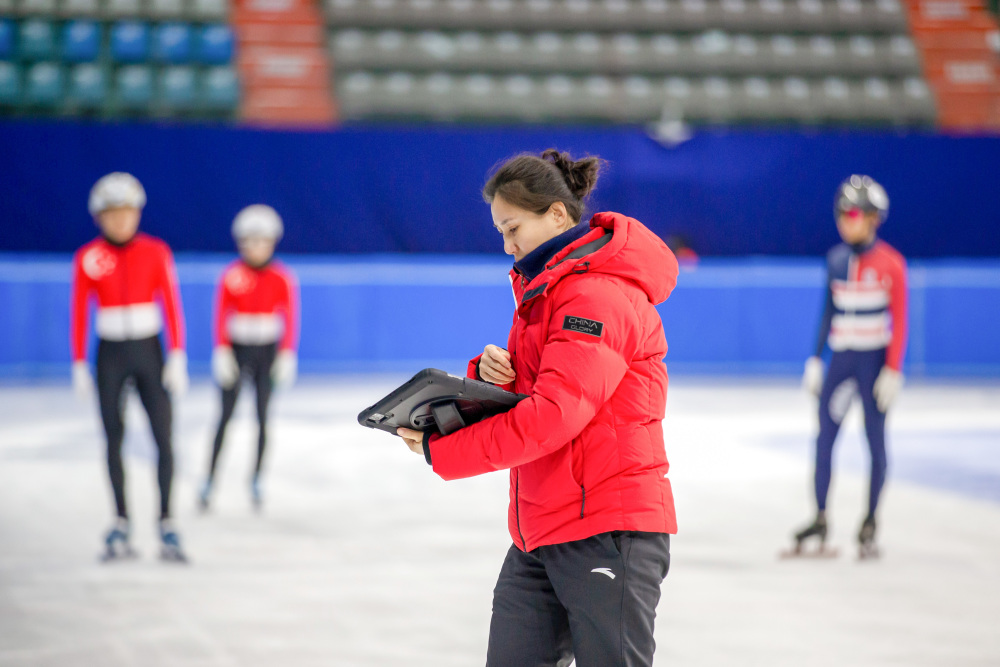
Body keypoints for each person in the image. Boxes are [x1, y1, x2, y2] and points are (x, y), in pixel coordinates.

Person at [398, 149, 679, 666]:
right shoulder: (545, 291)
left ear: (555, 213)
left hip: (606, 530)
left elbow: (552, 416)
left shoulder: (596, 296)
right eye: (500, 233)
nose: (507, 246)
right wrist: (485, 376)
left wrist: (445, 451)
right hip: (543, 527)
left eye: (512, 228)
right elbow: (539, 390)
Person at [70, 172, 189, 562]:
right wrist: (78, 360)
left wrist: (177, 353)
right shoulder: (88, 256)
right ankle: (120, 520)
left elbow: (171, 300)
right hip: (110, 353)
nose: (119, 220)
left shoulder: (156, 251)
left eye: (126, 212)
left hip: (149, 350)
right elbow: (78, 311)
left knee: (163, 436)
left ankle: (167, 521)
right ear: (98, 217)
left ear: (137, 213)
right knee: (113, 437)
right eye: (111, 213)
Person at [791, 175, 907, 560]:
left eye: (854, 212)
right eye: (841, 213)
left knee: (875, 441)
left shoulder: (892, 263)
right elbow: (828, 312)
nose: (846, 220)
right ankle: (821, 516)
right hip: (842, 361)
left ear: (874, 217)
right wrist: (814, 358)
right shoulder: (836, 260)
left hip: (873, 363)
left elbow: (900, 320)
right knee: (825, 438)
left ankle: (871, 520)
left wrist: (893, 369)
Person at [200, 205, 298, 512]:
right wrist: (221, 349)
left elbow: (291, 317)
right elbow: (220, 315)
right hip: (238, 349)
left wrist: (286, 353)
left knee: (262, 416)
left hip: (266, 351)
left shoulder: (282, 277)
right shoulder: (232, 276)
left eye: (262, 241)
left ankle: (256, 477)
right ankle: (209, 479)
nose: (255, 248)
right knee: (225, 416)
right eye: (249, 241)